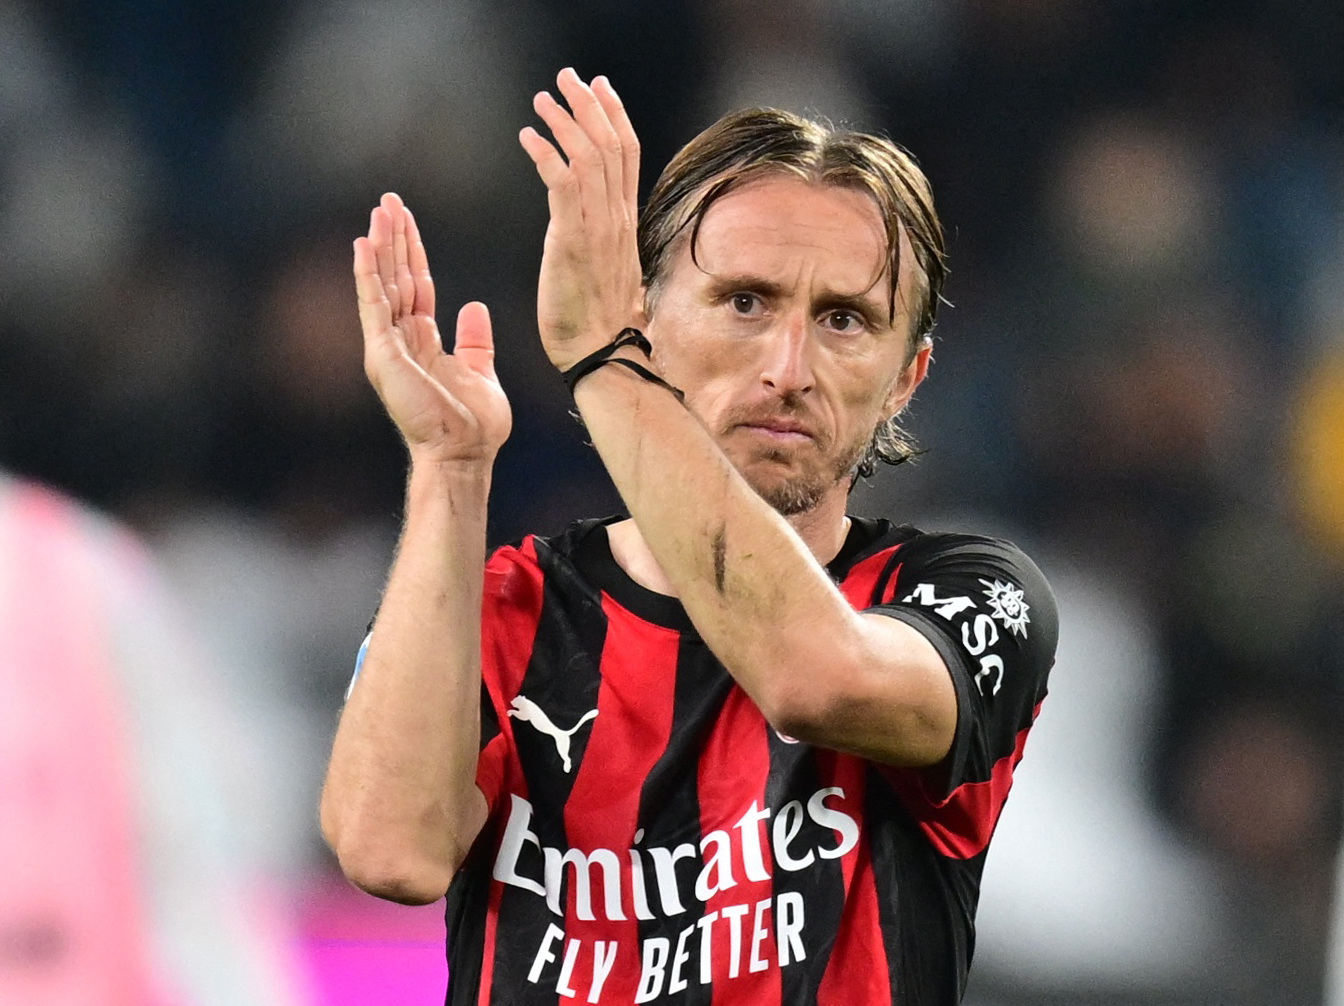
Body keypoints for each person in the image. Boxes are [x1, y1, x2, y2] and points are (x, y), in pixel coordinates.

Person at [321, 68, 1058, 1005]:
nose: (788, 368)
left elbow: (810, 678)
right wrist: (451, 468)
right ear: (652, 320)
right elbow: (391, 851)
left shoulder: (971, 594)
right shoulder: (513, 609)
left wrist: (603, 362)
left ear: (906, 379)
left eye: (843, 320)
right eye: (745, 302)